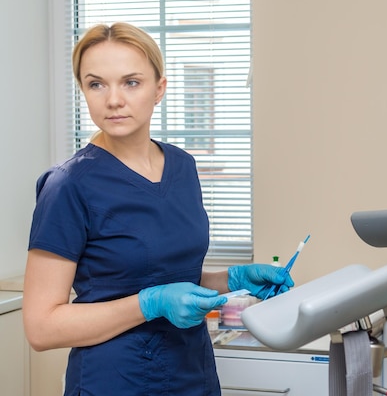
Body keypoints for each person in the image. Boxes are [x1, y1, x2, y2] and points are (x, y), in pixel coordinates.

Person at [22, 22, 293, 396]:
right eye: (96, 84)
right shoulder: (68, 185)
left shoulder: (182, 167)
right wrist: (149, 305)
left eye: (131, 82)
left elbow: (163, 274)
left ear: (159, 89)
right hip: (115, 380)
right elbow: (41, 327)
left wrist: (231, 280)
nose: (113, 99)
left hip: (192, 373)